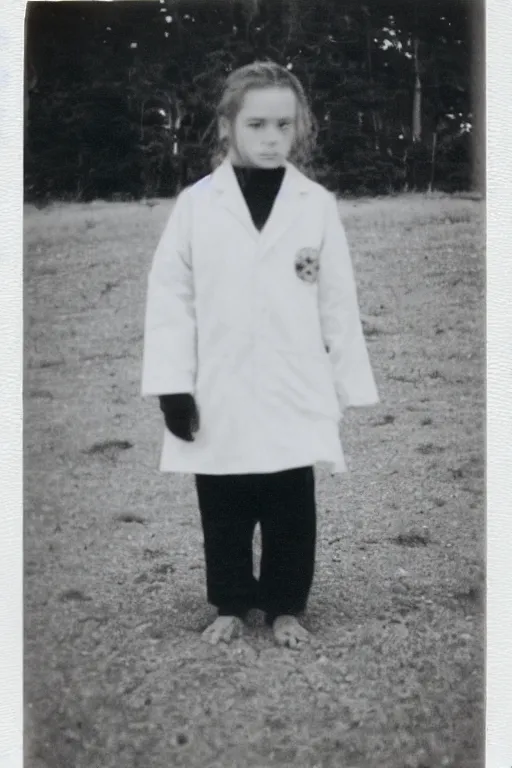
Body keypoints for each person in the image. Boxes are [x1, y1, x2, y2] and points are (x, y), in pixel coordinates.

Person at [141, 60, 379, 649]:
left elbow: (337, 299)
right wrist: (173, 384)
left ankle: (285, 607)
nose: (272, 137)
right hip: (217, 384)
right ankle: (229, 601)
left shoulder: (314, 203)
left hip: (292, 384)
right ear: (228, 127)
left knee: (289, 504)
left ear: (299, 128)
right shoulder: (198, 205)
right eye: (257, 124)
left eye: (283, 124)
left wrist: (350, 384)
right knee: (222, 501)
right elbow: (171, 298)